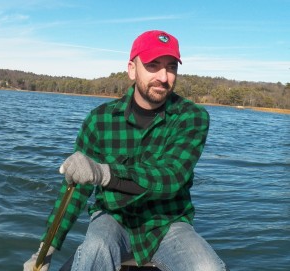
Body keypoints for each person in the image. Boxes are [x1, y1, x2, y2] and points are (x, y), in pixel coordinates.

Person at [24, 30, 228, 271]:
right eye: (153, 65)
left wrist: (104, 173)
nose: (164, 77)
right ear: (132, 69)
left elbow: (171, 177)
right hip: (113, 216)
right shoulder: (99, 120)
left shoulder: (192, 117)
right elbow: (76, 190)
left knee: (208, 267)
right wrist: (46, 247)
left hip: (168, 221)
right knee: (96, 248)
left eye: (171, 67)